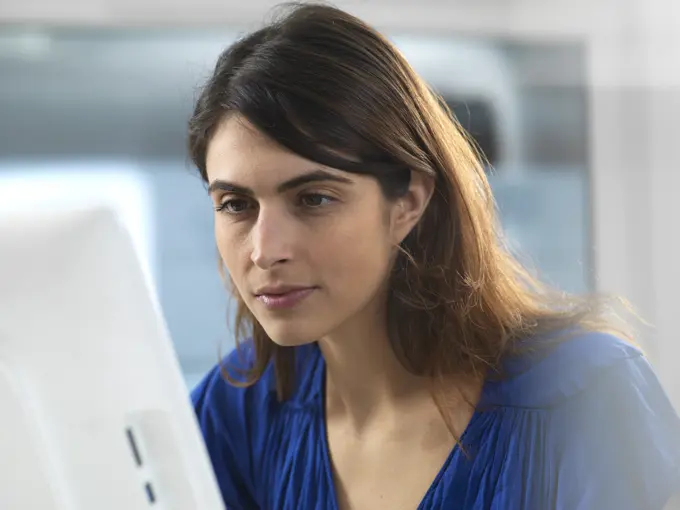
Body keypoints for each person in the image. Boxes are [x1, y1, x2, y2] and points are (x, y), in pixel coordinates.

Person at [187, 3, 680, 509]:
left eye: (314, 199)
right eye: (236, 205)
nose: (266, 251)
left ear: (408, 202)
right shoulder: (236, 412)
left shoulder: (584, 397)